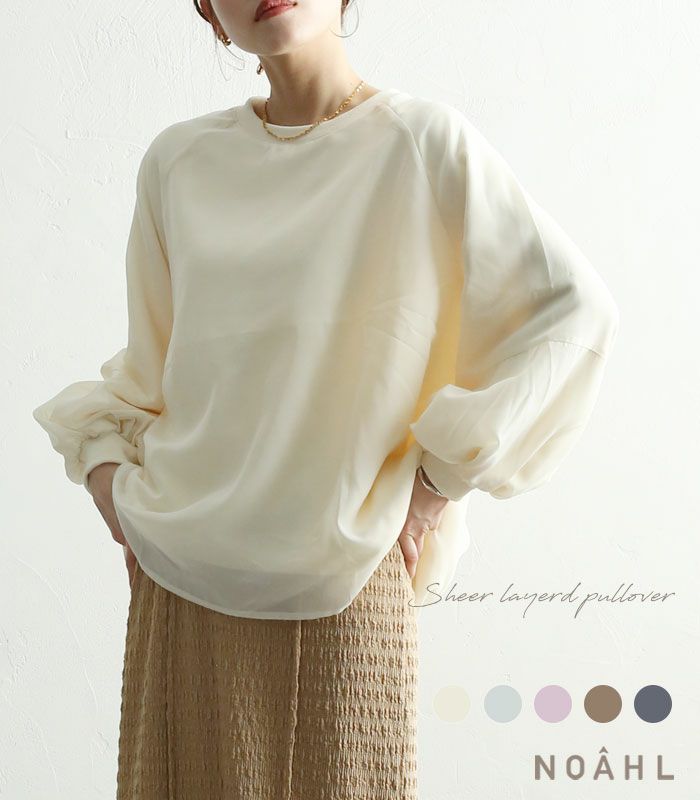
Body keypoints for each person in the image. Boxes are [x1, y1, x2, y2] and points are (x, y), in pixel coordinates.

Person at [31, 0, 620, 797]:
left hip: (347, 584)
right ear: (211, 15)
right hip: (182, 583)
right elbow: (149, 375)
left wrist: (433, 487)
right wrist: (109, 483)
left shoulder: (422, 143)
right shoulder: (179, 163)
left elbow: (571, 315)